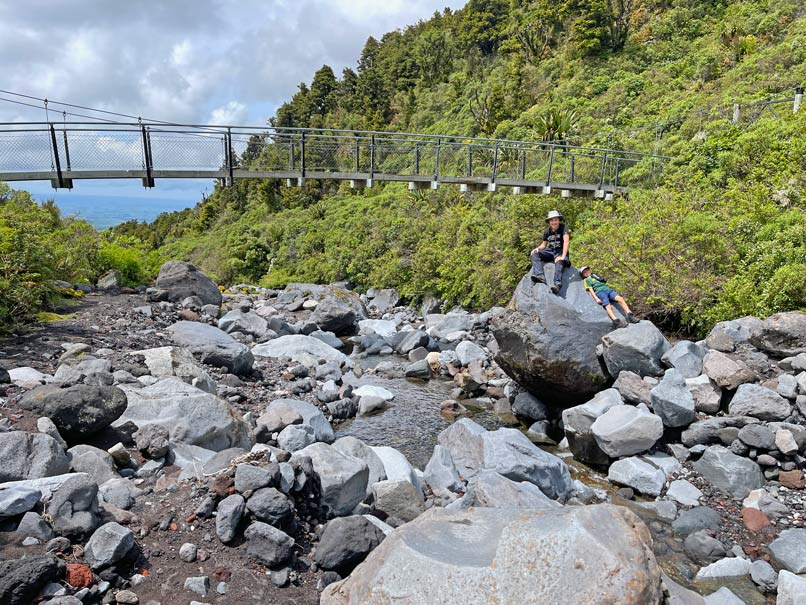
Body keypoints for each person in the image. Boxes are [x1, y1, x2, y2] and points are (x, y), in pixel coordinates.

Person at [530, 209, 570, 294]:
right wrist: (537, 248)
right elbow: (544, 245)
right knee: (535, 254)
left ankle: (557, 284)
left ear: (559, 220)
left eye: (556, 220)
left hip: (561, 251)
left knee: (559, 263)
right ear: (549, 222)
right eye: (552, 220)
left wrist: (562, 256)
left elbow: (566, 241)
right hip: (551, 250)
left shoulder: (564, 228)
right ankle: (540, 276)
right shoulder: (547, 231)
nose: (554, 222)